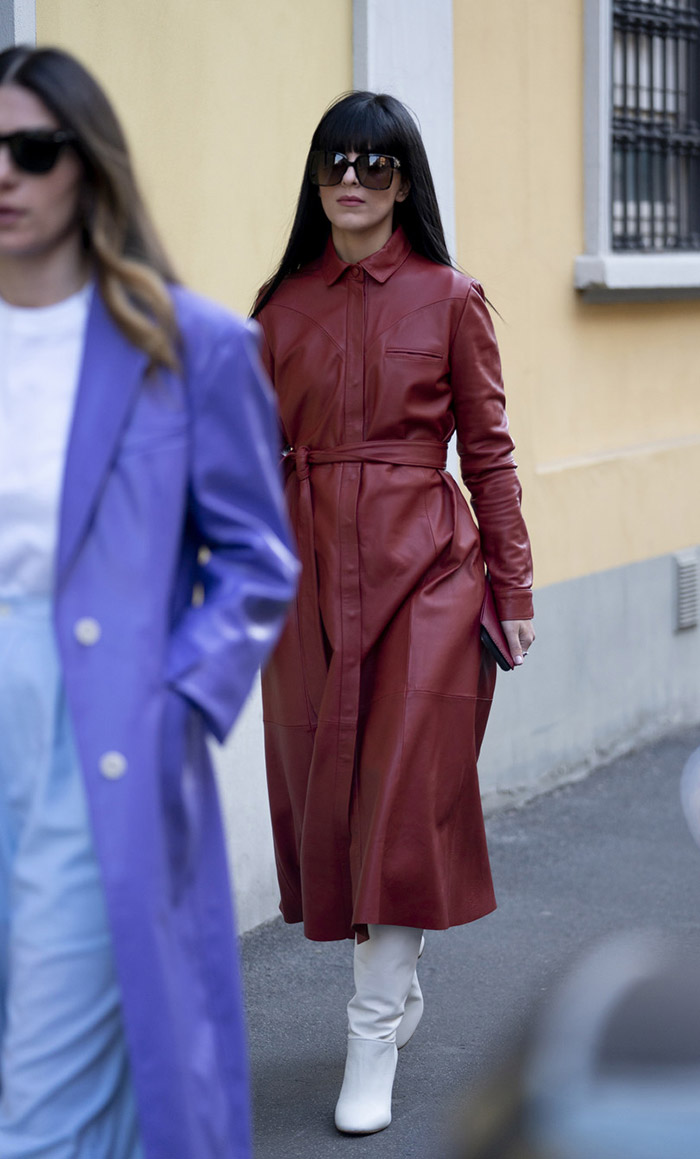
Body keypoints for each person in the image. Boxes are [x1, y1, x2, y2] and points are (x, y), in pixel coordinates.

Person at [0, 45, 297, 1159]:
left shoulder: (189, 344)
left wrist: (175, 698)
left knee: (45, 1080)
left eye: (30, 149)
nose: (6, 175)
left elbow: (259, 556)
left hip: (101, 732)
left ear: (89, 165)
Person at [252, 90, 535, 1134]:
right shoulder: (278, 309)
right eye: (337, 160)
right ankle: (394, 980)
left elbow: (490, 454)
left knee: (401, 801)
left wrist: (513, 586)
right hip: (307, 584)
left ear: (405, 182)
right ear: (317, 175)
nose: (354, 180)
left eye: (377, 165)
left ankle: (370, 1033)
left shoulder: (451, 298)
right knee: (338, 806)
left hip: (429, 576)